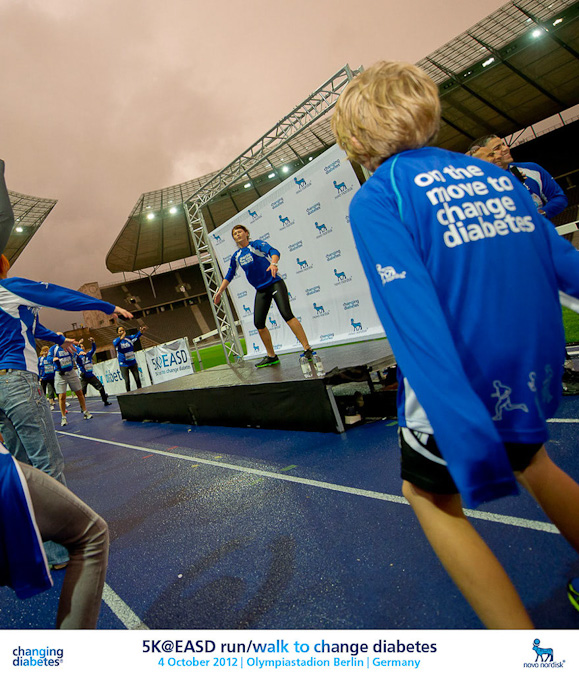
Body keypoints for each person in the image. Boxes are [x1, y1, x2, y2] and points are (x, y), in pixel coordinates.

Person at [331, 60, 579, 628]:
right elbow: (565, 266)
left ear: (355, 138)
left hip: (460, 377)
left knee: (429, 497)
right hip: (530, 364)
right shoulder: (493, 176)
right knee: (534, 461)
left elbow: (412, 313)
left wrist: (458, 419)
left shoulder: (377, 197)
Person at [213, 224, 313, 367]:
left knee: (287, 314)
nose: (237, 235)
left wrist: (274, 264)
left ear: (246, 233)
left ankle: (307, 349)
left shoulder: (256, 245)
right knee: (259, 324)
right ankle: (271, 356)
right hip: (261, 290)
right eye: (235, 234)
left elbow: (274, 251)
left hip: (274, 283)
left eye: (240, 232)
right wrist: (220, 291)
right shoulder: (236, 256)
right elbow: (229, 274)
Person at [467, 135, 568, 220]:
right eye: (497, 148)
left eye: (503, 144)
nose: (506, 148)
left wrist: (541, 214)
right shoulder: (477, 185)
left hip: (541, 233)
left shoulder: (532, 169)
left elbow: (558, 197)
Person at [50, 339, 94, 426]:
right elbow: (49, 358)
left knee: (79, 392)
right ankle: (63, 417)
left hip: (71, 372)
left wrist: (81, 352)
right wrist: (53, 359)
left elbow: (77, 349)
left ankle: (85, 411)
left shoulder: (69, 346)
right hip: (60, 374)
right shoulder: (53, 349)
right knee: (62, 396)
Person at [76, 338, 111, 405]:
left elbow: (93, 349)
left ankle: (105, 401)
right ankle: (82, 406)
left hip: (91, 376)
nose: (82, 348)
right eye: (80, 347)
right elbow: (74, 352)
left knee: (101, 387)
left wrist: (93, 342)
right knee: (82, 393)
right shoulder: (77, 357)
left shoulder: (88, 354)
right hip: (83, 377)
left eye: (83, 346)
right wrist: (78, 346)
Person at [113, 325, 146, 390]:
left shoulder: (129, 338)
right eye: (120, 331)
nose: (122, 332)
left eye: (123, 330)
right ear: (117, 333)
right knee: (127, 381)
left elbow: (136, 336)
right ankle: (128, 393)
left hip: (132, 362)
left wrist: (141, 331)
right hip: (123, 364)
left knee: (137, 379)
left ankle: (141, 392)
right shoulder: (116, 341)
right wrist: (121, 338)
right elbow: (115, 344)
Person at [38, 345, 57, 410]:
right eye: (44, 351)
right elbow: (38, 368)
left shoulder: (50, 358)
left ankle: (54, 402)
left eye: (47, 351)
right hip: (44, 377)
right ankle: (44, 404)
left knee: (55, 390)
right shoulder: (40, 359)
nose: (46, 352)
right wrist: (39, 377)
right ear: (42, 352)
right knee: (43, 391)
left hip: (51, 376)